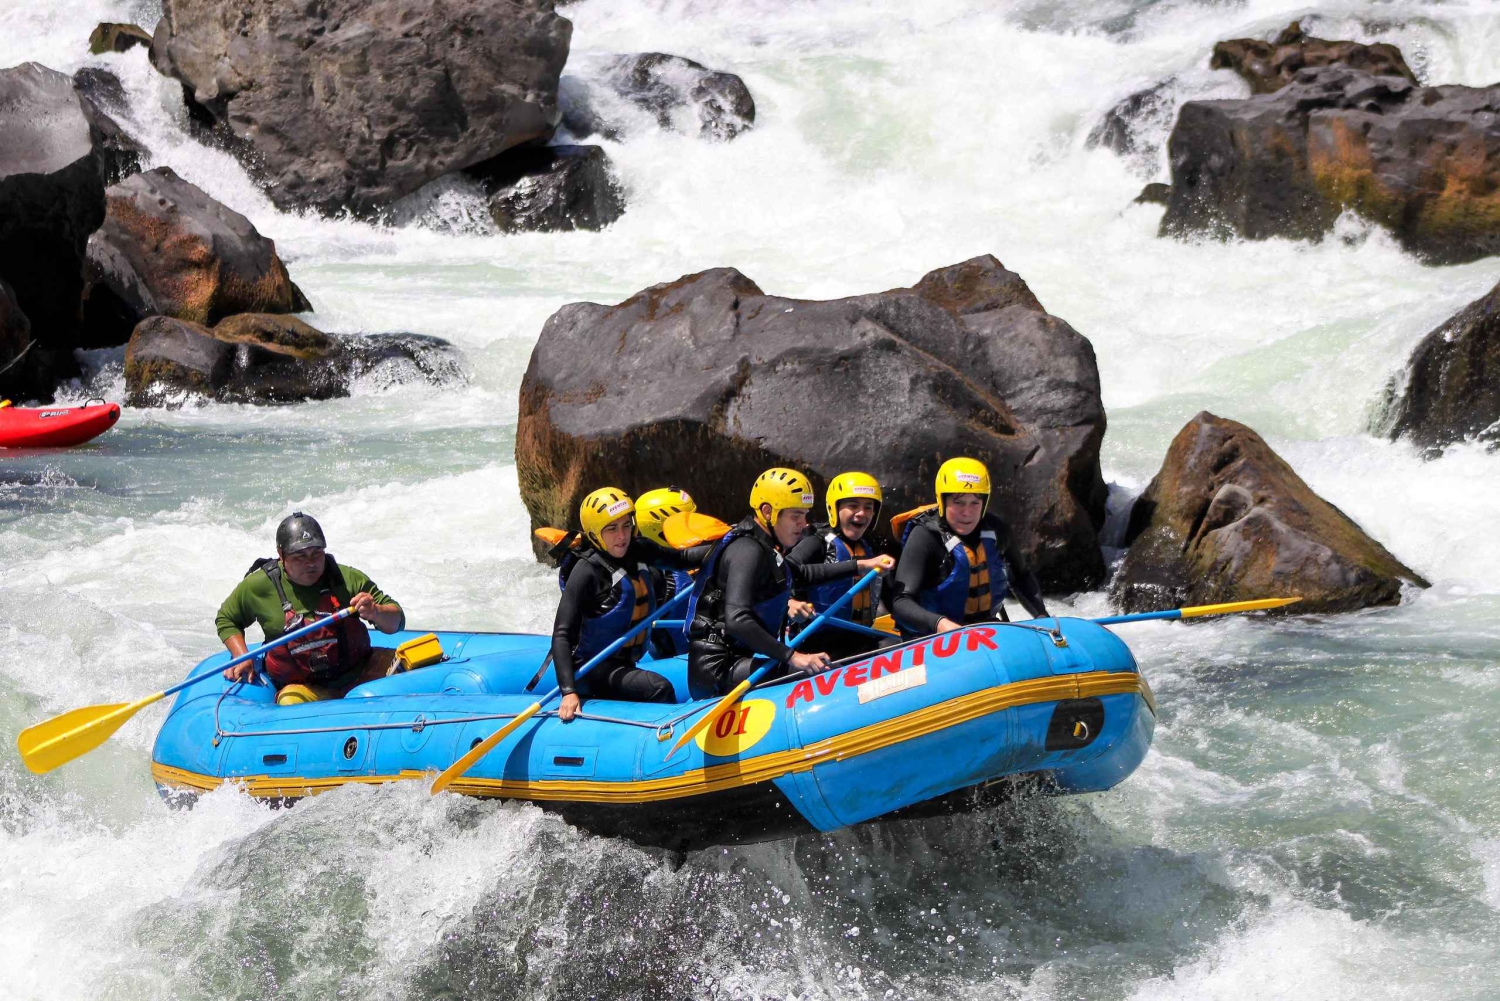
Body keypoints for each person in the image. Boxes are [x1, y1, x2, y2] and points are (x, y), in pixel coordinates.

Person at [687, 468, 894, 699]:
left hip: (737, 660)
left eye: (805, 515)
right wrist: (793, 656)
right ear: (768, 512)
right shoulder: (748, 550)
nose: (804, 524)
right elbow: (737, 620)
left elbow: (802, 573)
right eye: (796, 516)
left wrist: (860, 565)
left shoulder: (767, 550)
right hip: (717, 671)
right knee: (810, 672)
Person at [550, 487, 710, 721]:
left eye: (626, 525)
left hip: (625, 662)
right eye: (612, 529)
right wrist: (568, 691)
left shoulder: (638, 549)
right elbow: (562, 634)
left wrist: (726, 546)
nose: (622, 536)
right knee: (658, 687)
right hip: (591, 668)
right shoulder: (587, 571)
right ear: (595, 534)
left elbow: (681, 560)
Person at [217, 512, 405, 705]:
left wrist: (376, 611)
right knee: (290, 702)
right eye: (300, 557)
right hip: (304, 687)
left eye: (317, 553)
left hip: (361, 674)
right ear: (281, 555)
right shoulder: (258, 586)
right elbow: (227, 619)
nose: (311, 563)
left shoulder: (346, 578)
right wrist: (241, 656)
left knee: (412, 664)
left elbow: (397, 622)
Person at [890, 457, 1047, 639]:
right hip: (932, 636)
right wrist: (939, 623)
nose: (967, 512)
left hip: (985, 629)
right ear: (943, 501)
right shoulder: (925, 536)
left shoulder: (997, 530)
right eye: (958, 503)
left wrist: (1041, 616)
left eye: (975, 503)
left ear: (984, 503)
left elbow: (1021, 576)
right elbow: (900, 602)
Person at [788, 471, 898, 660]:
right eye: (853, 506)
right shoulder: (817, 542)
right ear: (835, 509)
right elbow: (785, 572)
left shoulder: (873, 548)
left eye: (868, 507)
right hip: (815, 644)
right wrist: (790, 602)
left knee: (895, 645)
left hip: (859, 638)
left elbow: (893, 599)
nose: (861, 513)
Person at [634, 486, 699, 659]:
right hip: (677, 660)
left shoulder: (691, 555)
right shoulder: (651, 576)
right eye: (688, 521)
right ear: (661, 530)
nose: (696, 526)